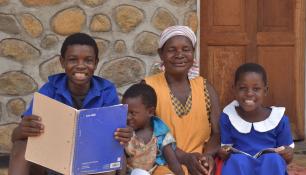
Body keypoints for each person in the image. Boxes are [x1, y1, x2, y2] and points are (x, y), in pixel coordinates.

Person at [8, 33, 132, 175]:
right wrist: (23, 130)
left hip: (91, 163)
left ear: (96, 63)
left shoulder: (106, 91)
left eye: (88, 60)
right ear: (62, 62)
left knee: (119, 156)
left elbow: (116, 136)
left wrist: (124, 134)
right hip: (54, 162)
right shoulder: (50, 89)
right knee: (20, 146)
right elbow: (15, 137)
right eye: (73, 60)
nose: (81, 66)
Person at [144, 25, 221, 175]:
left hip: (200, 163)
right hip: (163, 164)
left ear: (193, 52)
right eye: (172, 50)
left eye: (186, 49)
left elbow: (217, 132)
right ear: (161, 54)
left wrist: (207, 156)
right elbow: (144, 134)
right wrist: (185, 158)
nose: (179, 55)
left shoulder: (205, 87)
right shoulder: (148, 87)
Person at [217, 63, 294, 175]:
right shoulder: (228, 116)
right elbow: (226, 147)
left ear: (265, 90)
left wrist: (288, 153)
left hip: (268, 168)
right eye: (243, 88)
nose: (249, 93)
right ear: (234, 89)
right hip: (241, 168)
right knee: (236, 160)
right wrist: (223, 152)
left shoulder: (278, 119)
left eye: (256, 89)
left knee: (273, 159)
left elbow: (288, 155)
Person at [118, 83, 184, 175]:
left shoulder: (160, 133)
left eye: (132, 113)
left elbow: (172, 161)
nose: (128, 117)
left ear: (150, 112)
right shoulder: (125, 133)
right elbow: (120, 158)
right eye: (125, 112)